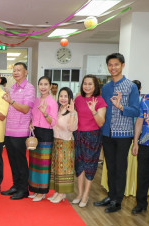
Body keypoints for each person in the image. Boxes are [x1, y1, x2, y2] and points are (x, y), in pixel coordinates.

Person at [94, 53, 140, 213]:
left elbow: (136, 110)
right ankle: (111, 195)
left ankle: (117, 200)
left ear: (122, 65)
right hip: (107, 133)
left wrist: (121, 107)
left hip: (124, 134)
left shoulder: (131, 86)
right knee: (110, 166)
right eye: (110, 65)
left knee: (120, 167)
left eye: (116, 64)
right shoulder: (106, 88)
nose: (113, 68)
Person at [0, 62, 35, 200]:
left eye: (19, 70)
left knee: (20, 161)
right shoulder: (12, 87)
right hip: (9, 130)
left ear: (25, 72)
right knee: (12, 161)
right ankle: (15, 185)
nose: (16, 72)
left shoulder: (29, 88)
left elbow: (26, 109)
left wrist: (11, 101)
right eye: (14, 70)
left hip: (20, 131)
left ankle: (23, 189)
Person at [73, 75, 107, 207]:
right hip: (79, 134)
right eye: (85, 83)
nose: (87, 86)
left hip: (93, 136)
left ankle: (86, 195)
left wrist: (93, 111)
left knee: (90, 166)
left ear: (95, 86)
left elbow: (101, 122)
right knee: (79, 165)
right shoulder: (78, 99)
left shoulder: (100, 100)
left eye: (90, 84)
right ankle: (80, 193)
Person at [28, 76, 58, 201]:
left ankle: (42, 192)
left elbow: (53, 122)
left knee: (43, 165)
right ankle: (35, 189)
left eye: (46, 84)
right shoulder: (36, 100)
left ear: (50, 86)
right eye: (41, 84)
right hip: (35, 133)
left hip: (46, 133)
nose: (43, 87)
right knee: (34, 163)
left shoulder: (52, 102)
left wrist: (45, 113)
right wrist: (30, 123)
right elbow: (32, 115)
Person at [49, 87, 78, 203]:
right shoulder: (59, 109)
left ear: (70, 98)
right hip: (56, 141)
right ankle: (57, 191)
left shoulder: (73, 112)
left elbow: (72, 128)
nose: (63, 98)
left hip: (66, 143)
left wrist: (72, 113)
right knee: (56, 168)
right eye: (61, 96)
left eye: (66, 96)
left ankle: (62, 193)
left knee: (63, 169)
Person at [131, 93, 149, 214]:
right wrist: (135, 142)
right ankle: (141, 203)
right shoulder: (145, 99)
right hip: (144, 143)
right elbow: (139, 121)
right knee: (142, 176)